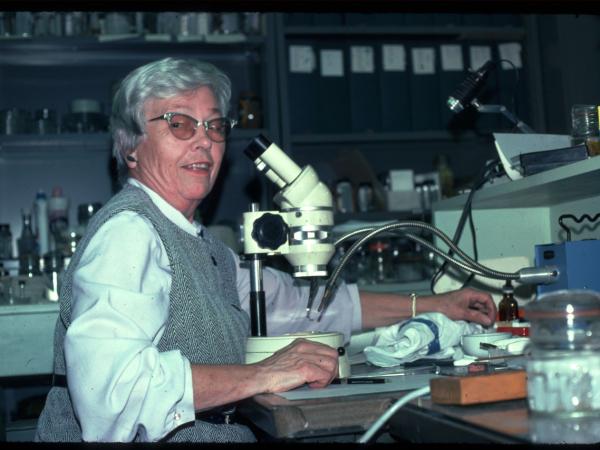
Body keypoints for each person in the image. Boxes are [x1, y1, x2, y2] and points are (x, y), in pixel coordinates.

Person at [35, 57, 496, 443]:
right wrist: (265, 374)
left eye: (215, 125)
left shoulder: (201, 245)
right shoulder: (129, 233)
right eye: (179, 123)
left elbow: (299, 308)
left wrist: (435, 304)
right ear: (130, 146)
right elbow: (111, 393)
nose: (204, 139)